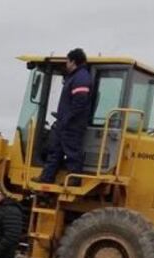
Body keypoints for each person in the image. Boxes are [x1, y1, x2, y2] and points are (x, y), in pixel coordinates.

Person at [39, 48, 92, 185]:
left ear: (73, 61)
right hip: (64, 124)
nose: (66, 65)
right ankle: (46, 178)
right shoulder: (75, 77)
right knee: (55, 150)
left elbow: (80, 101)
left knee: (72, 152)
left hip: (72, 125)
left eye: (67, 61)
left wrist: (67, 118)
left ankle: (74, 180)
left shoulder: (81, 77)